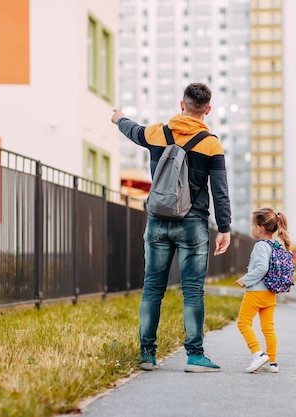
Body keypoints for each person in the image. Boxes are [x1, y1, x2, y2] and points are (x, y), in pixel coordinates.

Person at [111, 83, 232, 373]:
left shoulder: (157, 132)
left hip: (157, 220)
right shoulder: (210, 143)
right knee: (193, 290)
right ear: (208, 110)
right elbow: (220, 190)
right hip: (193, 224)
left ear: (182, 105)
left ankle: (147, 355)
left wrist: (118, 118)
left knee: (152, 288)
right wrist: (224, 228)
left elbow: (133, 130)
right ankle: (195, 356)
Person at [233, 207, 291, 374]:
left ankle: (258, 353)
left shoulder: (261, 246)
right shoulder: (275, 245)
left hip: (256, 293)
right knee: (268, 328)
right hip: (270, 293)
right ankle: (272, 362)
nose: (252, 229)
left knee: (243, 323)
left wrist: (245, 280)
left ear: (259, 228)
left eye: (252, 225)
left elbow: (261, 268)